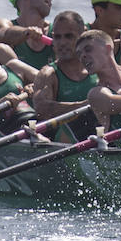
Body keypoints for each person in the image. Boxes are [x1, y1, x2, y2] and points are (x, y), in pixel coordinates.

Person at [31, 11, 97, 142]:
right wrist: (84, 106)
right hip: (62, 142)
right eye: (57, 37)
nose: (62, 43)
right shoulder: (48, 74)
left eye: (69, 36)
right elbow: (42, 109)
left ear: (83, 36)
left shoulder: (98, 70)